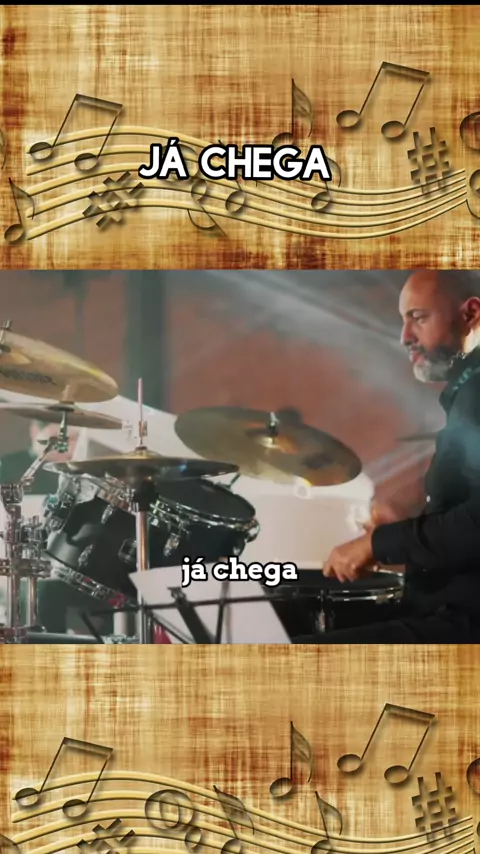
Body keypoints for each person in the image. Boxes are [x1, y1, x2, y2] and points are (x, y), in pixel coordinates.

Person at [294, 269, 480, 644]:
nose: (405, 337)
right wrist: (411, 522)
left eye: (418, 318)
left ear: (471, 313)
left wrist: (377, 544)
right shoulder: (467, 389)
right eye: (403, 320)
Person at [0, 420, 113, 637]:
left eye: (71, 440)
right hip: (22, 564)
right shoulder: (10, 466)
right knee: (39, 592)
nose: (63, 447)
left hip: (72, 561)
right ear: (35, 431)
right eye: (55, 440)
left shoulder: (83, 474)